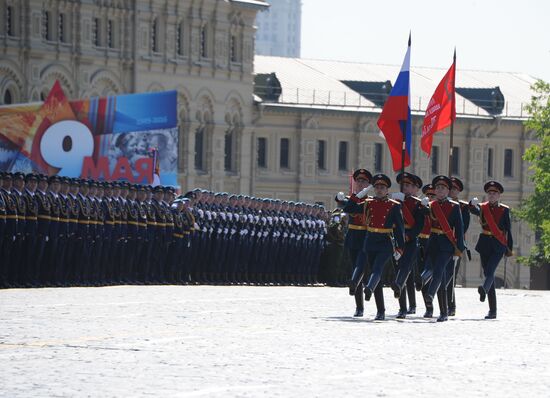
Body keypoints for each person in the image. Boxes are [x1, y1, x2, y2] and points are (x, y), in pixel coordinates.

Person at [337, 174, 405, 320]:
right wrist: (357, 195)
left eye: (382, 188)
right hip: (370, 241)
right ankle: (380, 310)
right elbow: (349, 209)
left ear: (387, 190)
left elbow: (400, 229)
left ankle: (368, 288)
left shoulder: (394, 205)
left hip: (385, 241)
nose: (379, 190)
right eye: (377, 187)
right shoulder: (368, 203)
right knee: (376, 277)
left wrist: (400, 248)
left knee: (377, 268)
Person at [420, 175, 465, 322]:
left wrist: (459, 248)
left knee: (439, 271)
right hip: (433, 243)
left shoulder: (454, 206)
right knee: (442, 279)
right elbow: (422, 221)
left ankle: (430, 294)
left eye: (443, 188)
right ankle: (444, 312)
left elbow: (459, 228)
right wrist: (422, 207)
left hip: (447, 245)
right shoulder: (431, 205)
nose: (440, 190)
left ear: (447, 191)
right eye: (438, 188)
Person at [469, 181, 513, 319]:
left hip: (499, 244)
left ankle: (483, 289)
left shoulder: (505, 210)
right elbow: (473, 211)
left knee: (490, 271)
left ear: (499, 195)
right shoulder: (483, 208)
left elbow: (508, 231)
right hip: (485, 243)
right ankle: (492, 310)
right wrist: (471, 204)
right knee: (489, 276)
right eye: (490, 193)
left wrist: (509, 248)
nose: (492, 195)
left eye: (494, 193)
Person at [390, 172, 429, 319]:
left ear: (415, 189)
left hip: (411, 241)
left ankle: (400, 287)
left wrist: (409, 235)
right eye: (403, 185)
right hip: (396, 240)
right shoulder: (395, 201)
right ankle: (402, 308)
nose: (405, 188)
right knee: (399, 270)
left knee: (405, 269)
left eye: (408, 185)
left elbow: (419, 225)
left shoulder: (418, 204)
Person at [335, 168, 373, 317]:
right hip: (353, 236)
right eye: (358, 181)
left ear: (369, 184)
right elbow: (346, 205)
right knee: (355, 268)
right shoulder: (352, 198)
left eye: (364, 181)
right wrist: (339, 198)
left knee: (360, 267)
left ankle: (367, 295)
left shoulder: (371, 201)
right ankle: (359, 307)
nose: (360, 183)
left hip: (366, 236)